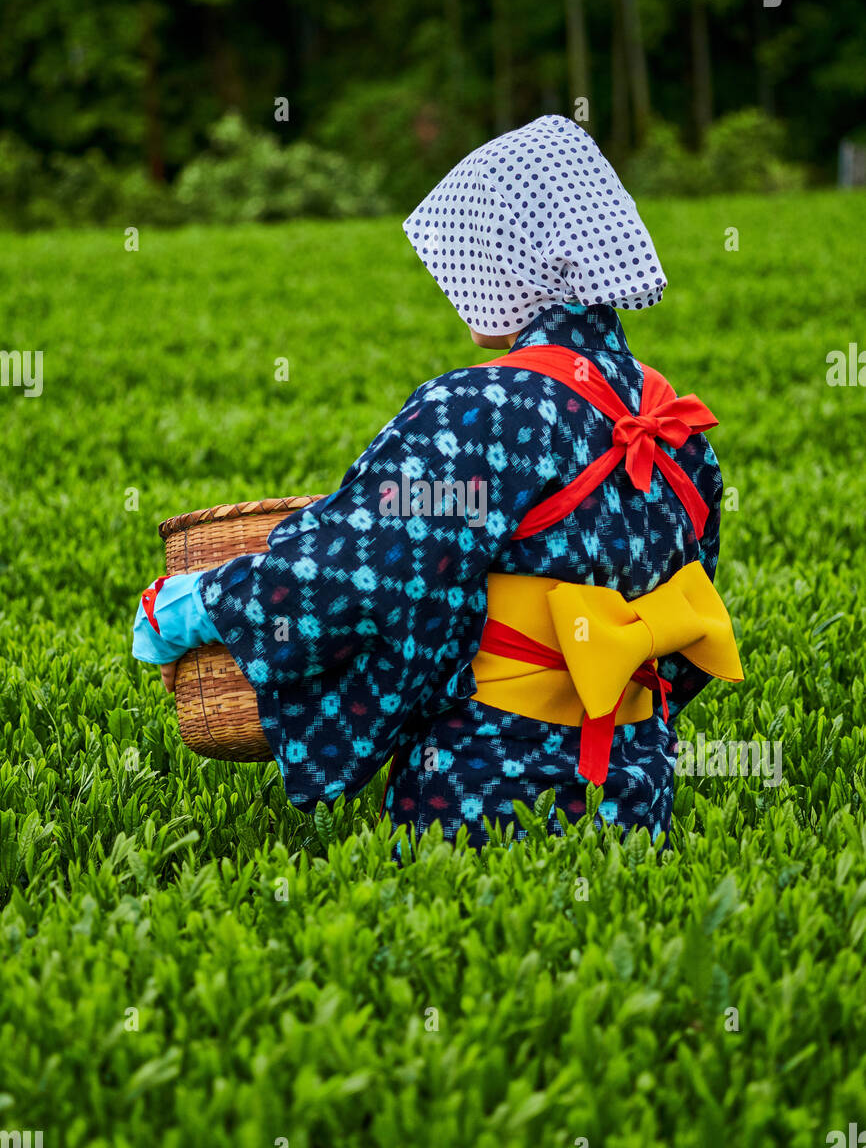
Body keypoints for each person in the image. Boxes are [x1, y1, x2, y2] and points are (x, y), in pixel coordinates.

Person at [133, 115, 742, 848]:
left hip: (483, 786)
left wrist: (200, 605)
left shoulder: (480, 408)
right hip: (636, 787)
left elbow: (359, 574)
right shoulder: (669, 414)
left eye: (468, 256)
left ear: (516, 261)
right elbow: (685, 628)